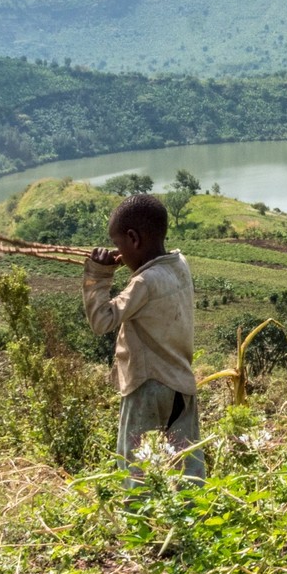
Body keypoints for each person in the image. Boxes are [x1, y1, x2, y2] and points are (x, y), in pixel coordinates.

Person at [84, 193, 204, 483]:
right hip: (180, 384)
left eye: (118, 245)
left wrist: (98, 275)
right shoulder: (179, 264)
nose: (118, 254)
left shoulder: (144, 282)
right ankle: (196, 511)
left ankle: (138, 512)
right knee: (187, 469)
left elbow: (102, 320)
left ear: (133, 238)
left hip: (147, 387)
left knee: (136, 470)